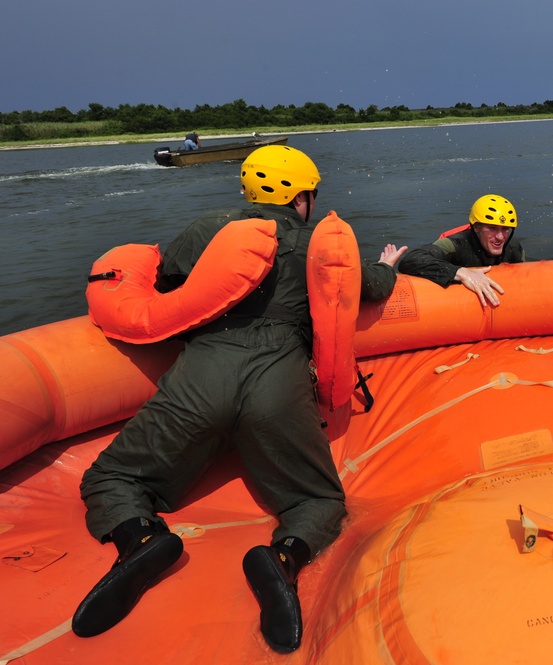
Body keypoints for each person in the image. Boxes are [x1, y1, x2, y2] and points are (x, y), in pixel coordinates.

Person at [71, 145, 405, 653]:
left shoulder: (207, 229)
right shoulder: (317, 241)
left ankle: (140, 536)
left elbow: (169, 287)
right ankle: (285, 557)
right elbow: (366, 286)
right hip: (279, 379)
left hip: (203, 372)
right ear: (303, 197)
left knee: (112, 477)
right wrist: (390, 266)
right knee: (317, 500)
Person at [398, 193, 524, 307]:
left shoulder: (514, 248)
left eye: (505, 229)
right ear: (476, 227)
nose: (500, 237)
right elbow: (409, 260)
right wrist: (459, 272)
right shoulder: (455, 245)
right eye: (492, 228)